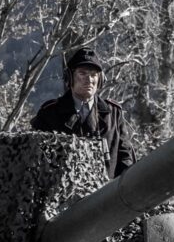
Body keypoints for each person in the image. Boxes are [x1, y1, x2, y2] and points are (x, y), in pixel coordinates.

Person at [31, 48, 136, 178]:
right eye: (82, 73)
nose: (89, 80)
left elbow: (126, 157)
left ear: (101, 79)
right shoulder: (50, 113)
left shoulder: (114, 113)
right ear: (70, 77)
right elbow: (37, 160)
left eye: (94, 75)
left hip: (107, 194)